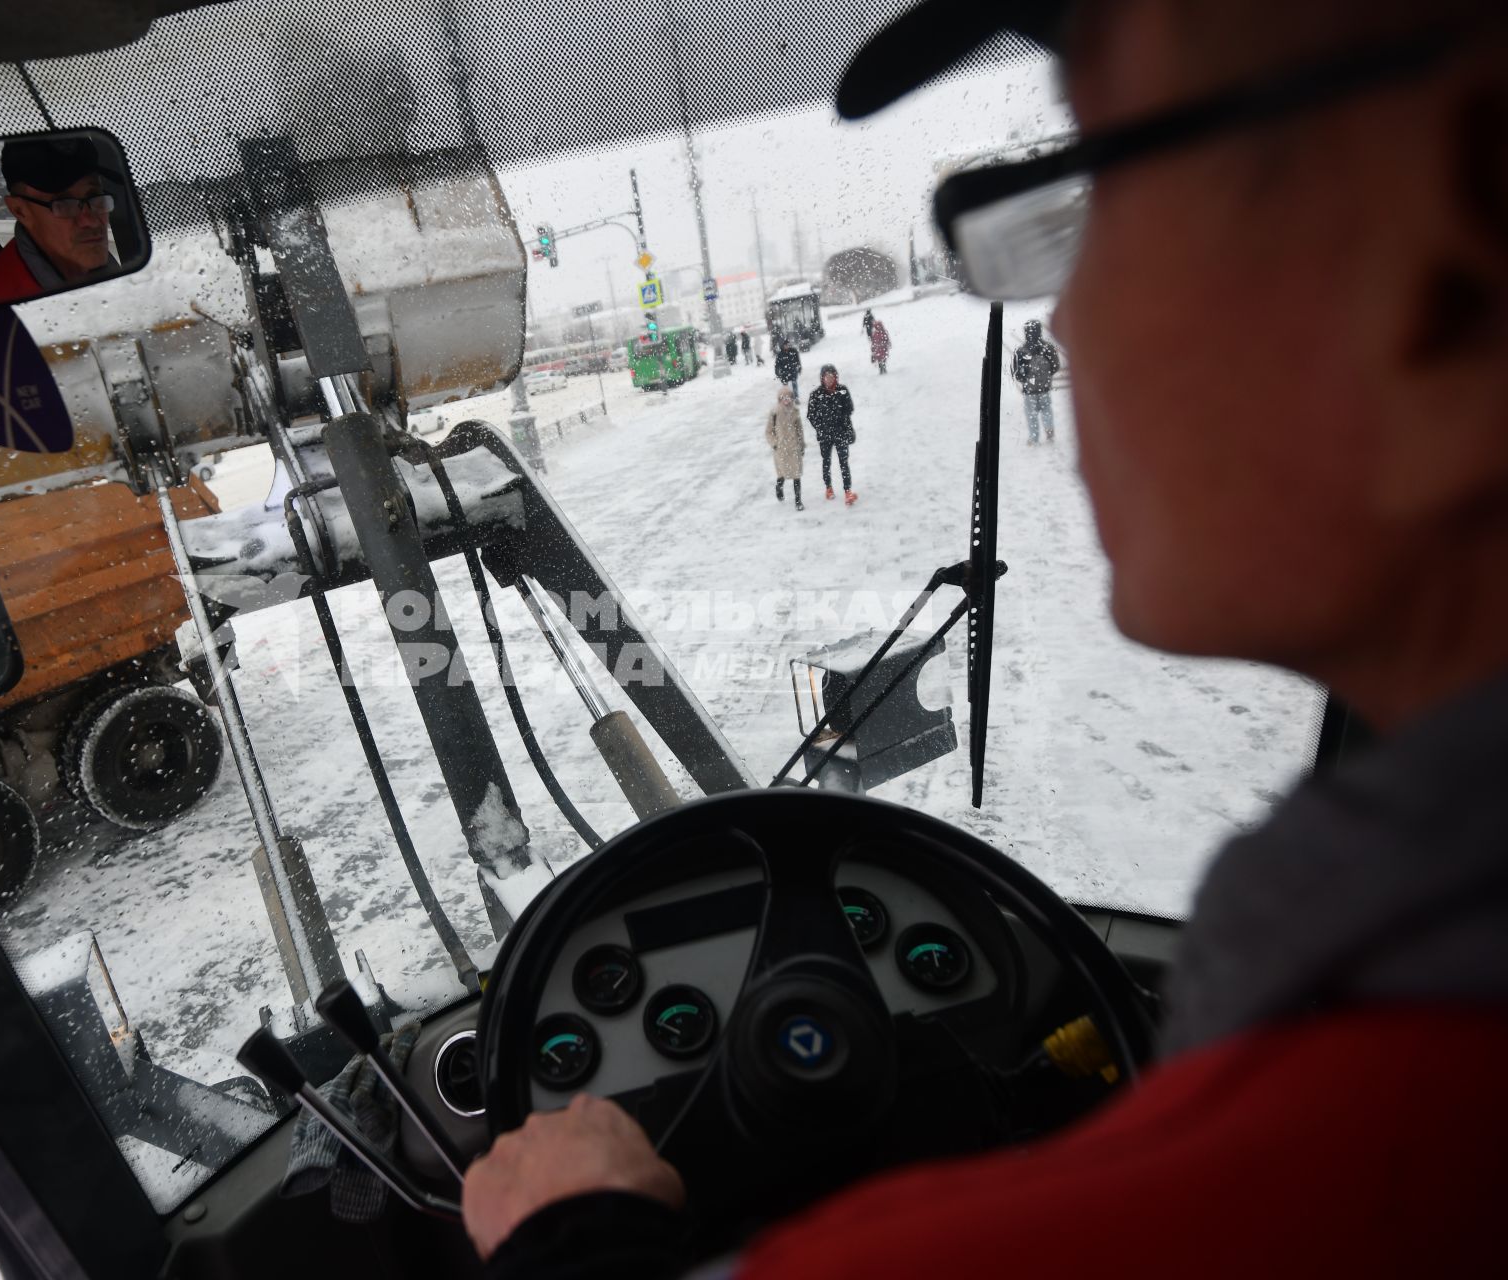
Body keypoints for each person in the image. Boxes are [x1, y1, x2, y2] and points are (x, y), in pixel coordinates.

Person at [460, 0, 1508, 1275]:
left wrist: (574, 1243)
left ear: (1443, 268)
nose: (1063, 329)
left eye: (1102, 182)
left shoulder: (1348, 1157)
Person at [0, 135, 121, 304]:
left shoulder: (83, 263)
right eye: (64, 204)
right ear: (20, 211)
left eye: (94, 196)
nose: (91, 220)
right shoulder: (3, 308)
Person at [804, 364, 857, 505]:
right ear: (822, 378)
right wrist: (820, 427)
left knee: (844, 462)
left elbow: (849, 409)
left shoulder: (842, 391)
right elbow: (811, 415)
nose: (829, 379)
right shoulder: (816, 394)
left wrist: (842, 420)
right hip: (825, 435)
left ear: (835, 377)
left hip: (840, 433)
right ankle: (828, 487)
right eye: (826, 377)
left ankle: (848, 491)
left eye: (831, 376)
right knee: (826, 462)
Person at [1012, 318, 1062, 444]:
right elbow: (1055, 365)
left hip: (1029, 389)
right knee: (1046, 409)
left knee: (1031, 413)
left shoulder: (1021, 351)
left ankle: (1034, 438)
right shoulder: (1048, 347)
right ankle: (1049, 432)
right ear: (1039, 331)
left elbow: (1017, 373)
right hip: (1044, 386)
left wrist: (1025, 379)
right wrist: (1047, 376)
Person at [763, 385, 805, 510]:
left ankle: (798, 501)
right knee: (782, 473)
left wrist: (801, 445)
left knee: (796, 475)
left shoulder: (795, 411)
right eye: (783, 397)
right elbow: (768, 431)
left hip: (794, 448)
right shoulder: (775, 412)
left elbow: (799, 430)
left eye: (789, 397)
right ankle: (779, 486)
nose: (786, 400)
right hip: (781, 450)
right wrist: (775, 444)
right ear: (779, 399)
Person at [772, 335, 802, 401]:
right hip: (784, 373)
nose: (786, 346)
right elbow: (777, 364)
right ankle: (787, 399)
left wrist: (799, 367)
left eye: (787, 345)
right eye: (785, 345)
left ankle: (796, 398)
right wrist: (777, 372)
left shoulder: (793, 351)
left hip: (793, 371)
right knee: (785, 388)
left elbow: (797, 360)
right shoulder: (780, 354)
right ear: (782, 346)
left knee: (794, 384)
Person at [865, 308, 891, 373]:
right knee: (883, 359)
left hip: (878, 349)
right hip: (883, 348)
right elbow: (886, 339)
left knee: (880, 359)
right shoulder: (883, 332)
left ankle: (881, 369)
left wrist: (873, 349)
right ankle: (883, 368)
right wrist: (888, 343)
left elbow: (873, 342)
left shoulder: (875, 333)